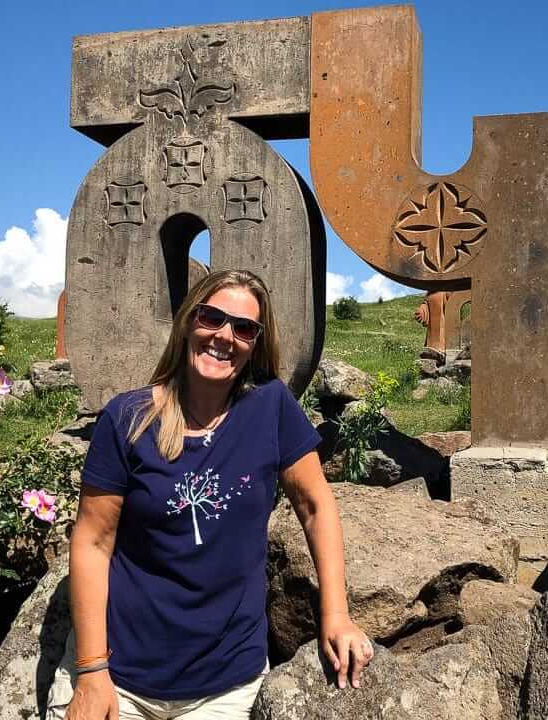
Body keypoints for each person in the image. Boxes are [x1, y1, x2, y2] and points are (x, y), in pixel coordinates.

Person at [49, 270, 372, 720]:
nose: (225, 336)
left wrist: (335, 613)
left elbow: (316, 506)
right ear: (188, 321)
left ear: (256, 342)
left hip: (225, 686)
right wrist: (90, 669)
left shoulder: (271, 407)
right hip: (117, 675)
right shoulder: (128, 418)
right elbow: (92, 541)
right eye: (212, 317)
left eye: (244, 328)